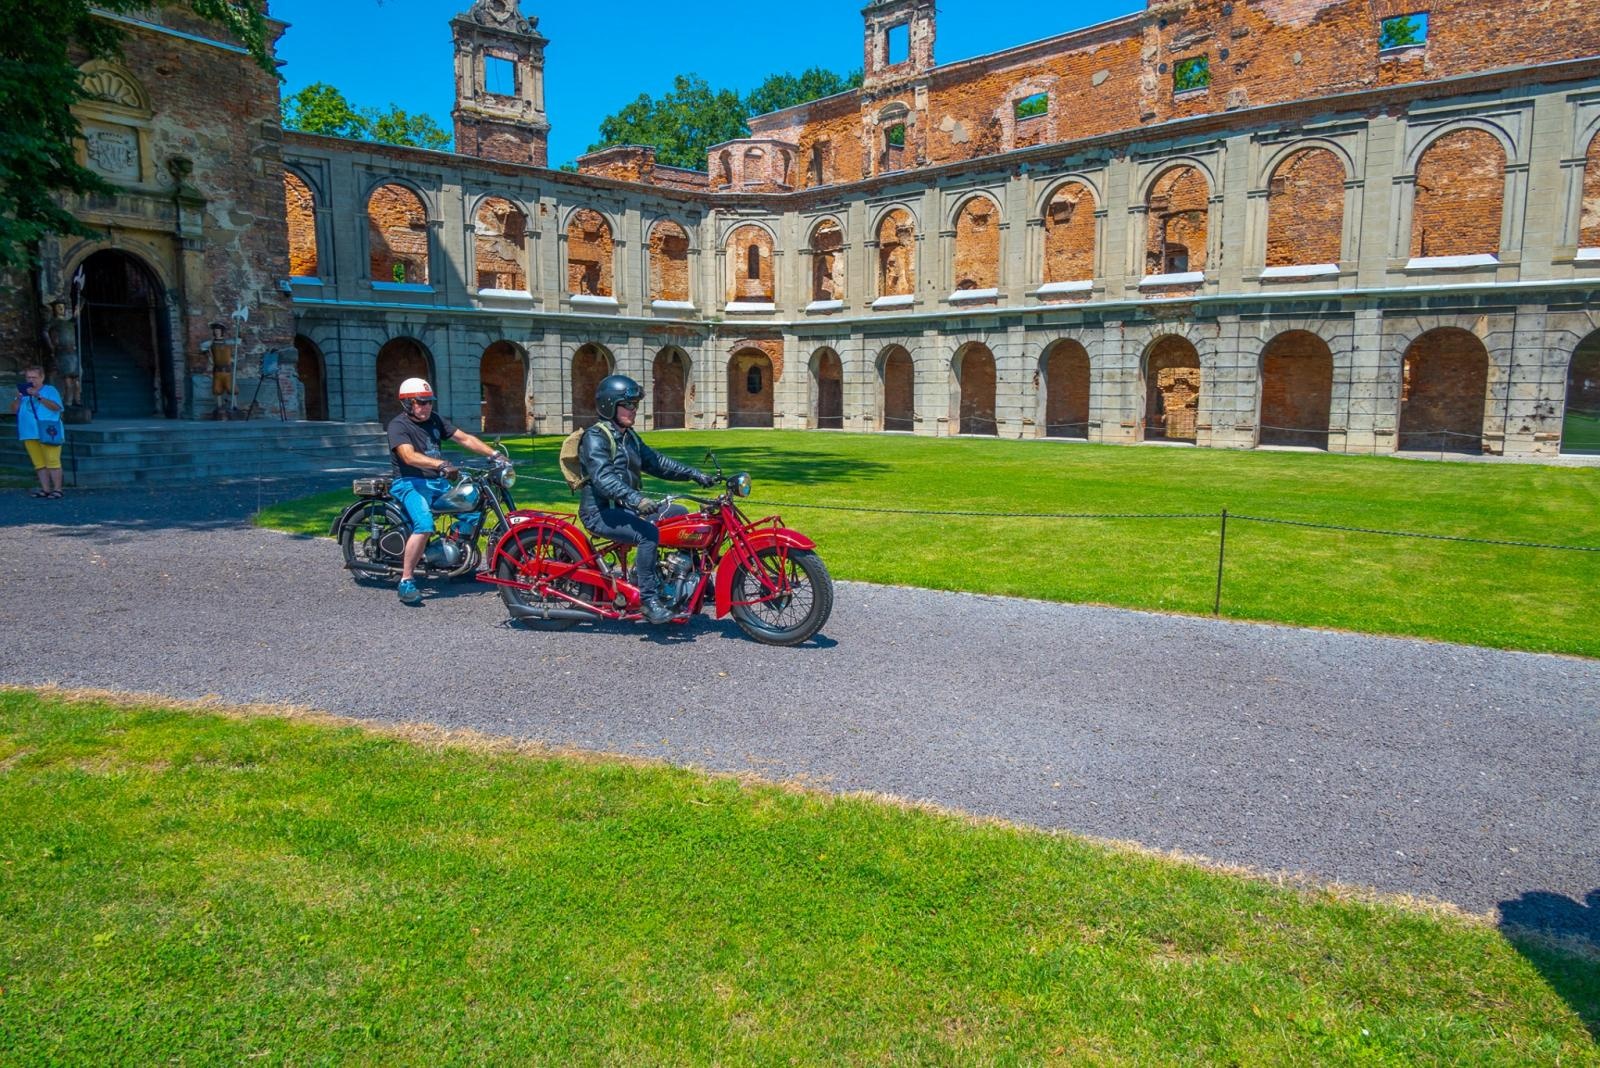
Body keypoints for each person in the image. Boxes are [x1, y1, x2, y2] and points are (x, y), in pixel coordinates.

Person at [579, 374, 717, 624]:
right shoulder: (595, 437)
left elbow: (656, 462)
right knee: (648, 534)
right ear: (610, 405)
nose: (633, 411)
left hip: (625, 507)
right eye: (628, 405)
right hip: (601, 512)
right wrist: (636, 499)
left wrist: (694, 474)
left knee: (681, 515)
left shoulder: (628, 436)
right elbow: (602, 478)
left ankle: (698, 583)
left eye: (635, 405)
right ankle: (649, 601)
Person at [386, 377, 502, 604]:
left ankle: (452, 557)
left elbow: (464, 438)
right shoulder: (398, 425)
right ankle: (406, 580)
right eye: (421, 402)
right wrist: (439, 464)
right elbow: (408, 456)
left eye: (430, 402)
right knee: (424, 524)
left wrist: (494, 455)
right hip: (409, 482)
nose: (427, 406)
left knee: (473, 510)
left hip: (436, 483)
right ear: (408, 403)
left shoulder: (435, 419)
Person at [12, 365, 66, 499]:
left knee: (53, 461)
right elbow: (14, 410)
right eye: (28, 377)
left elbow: (57, 407)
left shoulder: (50, 390)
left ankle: (58, 489)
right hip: (28, 431)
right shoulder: (23, 393)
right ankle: (45, 489)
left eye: (34, 377)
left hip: (48, 431)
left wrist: (38, 396)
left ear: (42, 377)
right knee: (39, 463)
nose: (31, 380)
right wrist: (18, 398)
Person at [42, 301, 82, 410]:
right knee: (68, 380)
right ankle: (68, 402)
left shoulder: (69, 322)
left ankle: (77, 400)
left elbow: (75, 318)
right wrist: (51, 346)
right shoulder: (53, 322)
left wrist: (78, 307)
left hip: (72, 352)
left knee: (77, 380)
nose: (61, 309)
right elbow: (45, 332)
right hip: (62, 352)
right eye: (58, 307)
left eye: (62, 307)